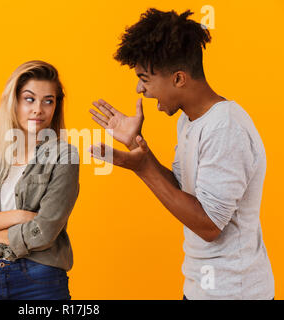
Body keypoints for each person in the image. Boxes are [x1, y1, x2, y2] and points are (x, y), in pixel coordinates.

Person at [89, 8, 274, 300]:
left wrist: (143, 169)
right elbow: (183, 191)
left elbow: (209, 225)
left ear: (178, 79)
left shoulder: (225, 128)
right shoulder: (189, 120)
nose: (140, 90)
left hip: (233, 292)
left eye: (145, 79)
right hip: (200, 288)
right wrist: (139, 150)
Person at [0, 60, 79, 300]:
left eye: (48, 101)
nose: (38, 109)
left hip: (40, 279)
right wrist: (18, 217)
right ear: (14, 101)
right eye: (29, 99)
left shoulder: (64, 156)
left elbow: (43, 231)